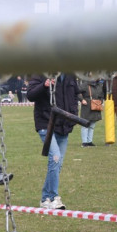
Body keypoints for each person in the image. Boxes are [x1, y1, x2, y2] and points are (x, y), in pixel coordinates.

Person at [27, 73, 79, 210]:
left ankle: (45, 198)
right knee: (55, 159)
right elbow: (30, 95)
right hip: (46, 124)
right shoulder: (40, 73)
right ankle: (54, 197)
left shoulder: (70, 76)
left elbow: (75, 96)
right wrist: (43, 85)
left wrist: (73, 116)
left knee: (57, 164)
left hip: (64, 125)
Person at [77, 78, 105, 147]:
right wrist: (82, 100)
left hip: (96, 107)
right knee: (85, 125)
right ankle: (84, 142)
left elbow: (101, 95)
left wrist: (101, 101)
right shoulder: (85, 84)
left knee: (92, 125)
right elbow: (77, 92)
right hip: (87, 107)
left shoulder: (99, 85)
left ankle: (89, 141)